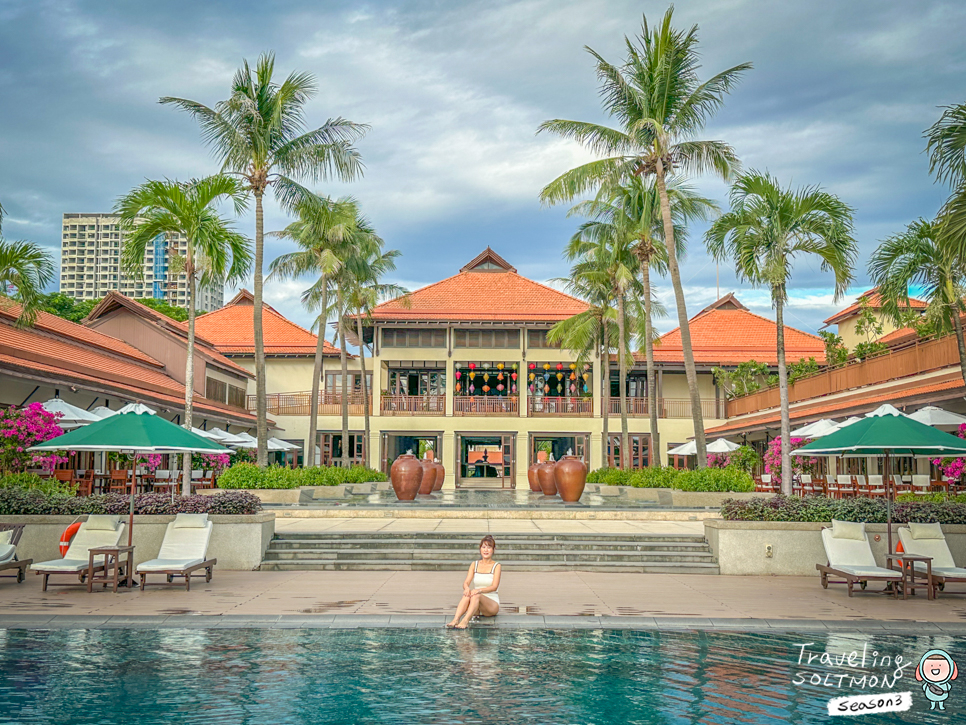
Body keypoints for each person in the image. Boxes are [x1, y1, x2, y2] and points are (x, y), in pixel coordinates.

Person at [446, 535, 501, 628]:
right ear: (480, 549)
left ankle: (465, 621)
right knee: (468, 594)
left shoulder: (497, 566)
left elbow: (494, 586)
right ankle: (456, 619)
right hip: (476, 603)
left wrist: (479, 590)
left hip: (491, 604)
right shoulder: (474, 564)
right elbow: (466, 582)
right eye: (483, 547)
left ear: (493, 550)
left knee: (476, 595)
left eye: (489, 547)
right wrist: (467, 588)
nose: (486, 550)